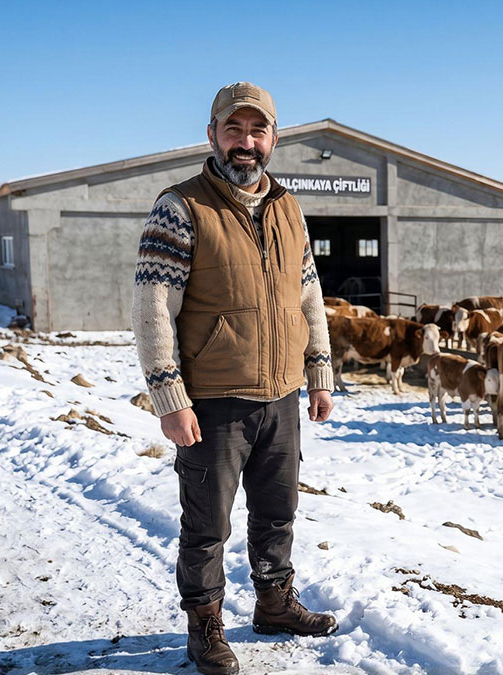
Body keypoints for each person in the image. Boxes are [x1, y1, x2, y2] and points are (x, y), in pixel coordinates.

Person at [131, 82, 337, 675]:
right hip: (213, 399)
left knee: (277, 511)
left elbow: (309, 295)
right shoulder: (181, 206)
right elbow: (152, 310)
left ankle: (273, 604)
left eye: (257, 131)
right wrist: (167, 395)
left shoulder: (288, 208)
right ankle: (205, 626)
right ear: (212, 134)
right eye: (234, 129)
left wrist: (319, 372)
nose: (245, 142)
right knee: (207, 524)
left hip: (280, 394)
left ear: (273, 138)